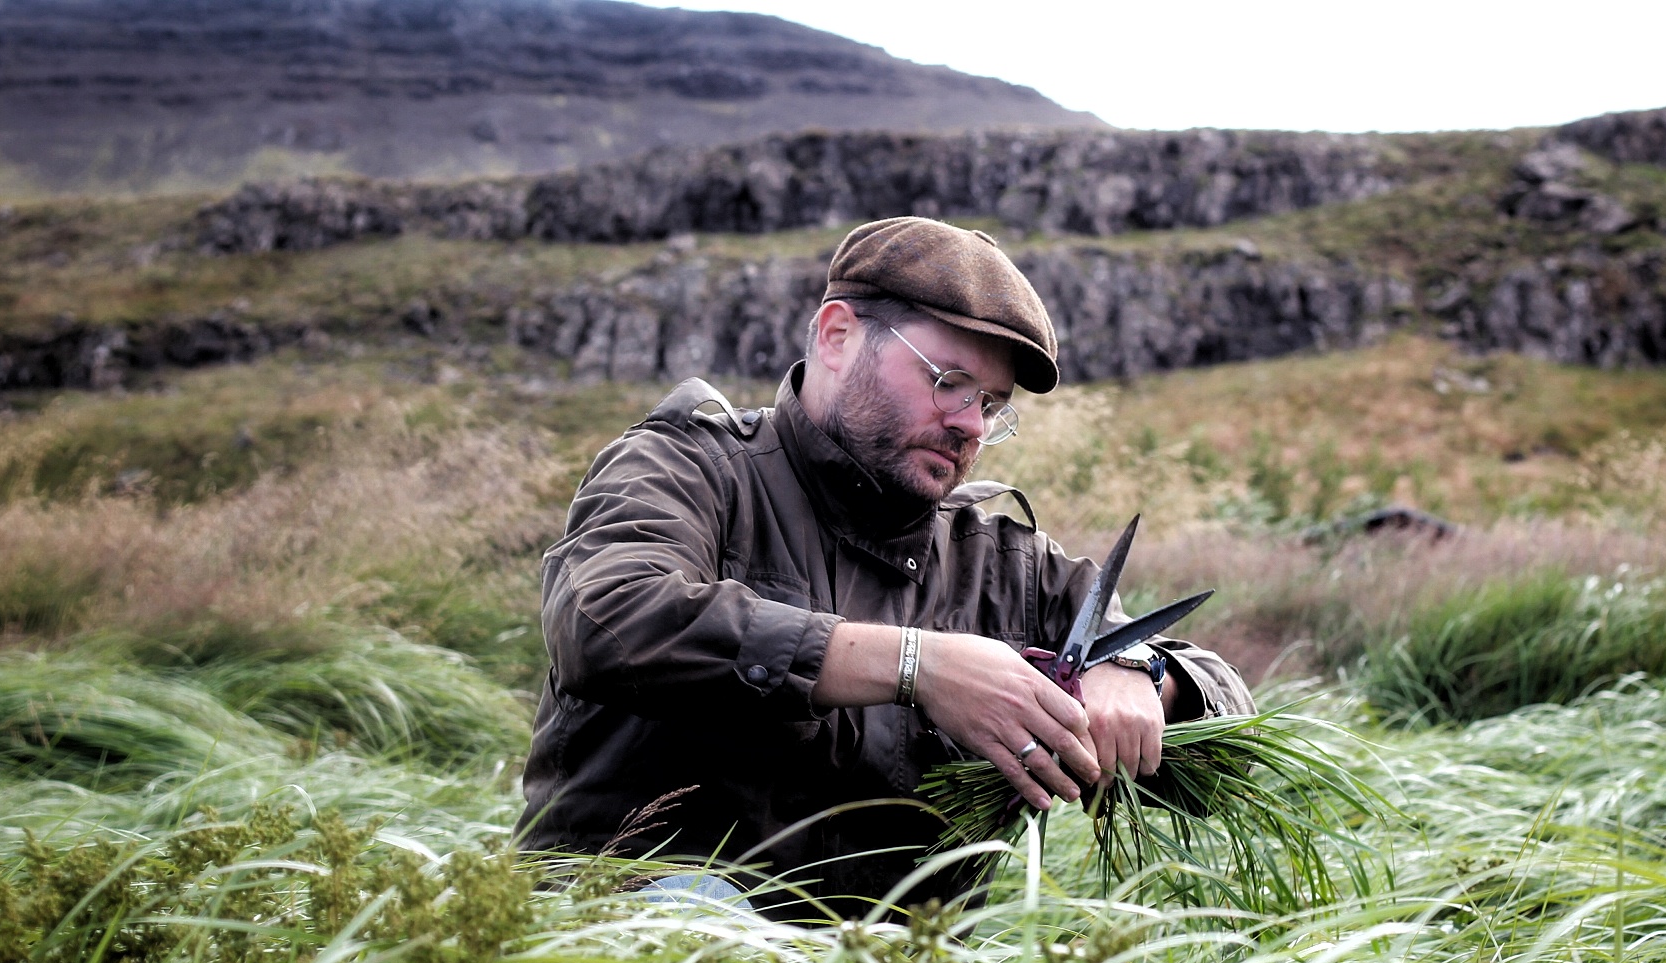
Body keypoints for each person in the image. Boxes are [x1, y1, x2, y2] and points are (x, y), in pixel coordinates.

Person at [517, 216, 1253, 920]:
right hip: (630, 957)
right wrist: (917, 666)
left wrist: (1147, 679)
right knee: (702, 919)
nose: (970, 424)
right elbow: (605, 616)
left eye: (992, 404)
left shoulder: (1002, 565)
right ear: (838, 337)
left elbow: (1234, 733)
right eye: (949, 380)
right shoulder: (689, 469)